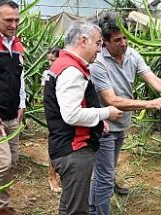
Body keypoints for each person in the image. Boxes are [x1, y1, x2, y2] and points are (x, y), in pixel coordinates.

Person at [89, 12, 161, 215]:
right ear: (105, 42)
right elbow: (111, 100)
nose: (124, 43)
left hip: (121, 124)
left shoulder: (133, 55)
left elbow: (153, 79)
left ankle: (92, 209)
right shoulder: (98, 63)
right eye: (117, 40)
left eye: (125, 37)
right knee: (105, 177)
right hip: (103, 126)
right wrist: (150, 104)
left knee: (104, 174)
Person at [43, 21, 122, 214]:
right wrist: (106, 112)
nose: (99, 49)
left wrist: (96, 121)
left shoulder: (64, 64)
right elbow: (71, 114)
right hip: (74, 150)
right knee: (77, 209)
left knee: (69, 205)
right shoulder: (71, 71)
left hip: (67, 146)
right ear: (83, 40)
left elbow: (77, 105)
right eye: (97, 43)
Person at [0, 1, 25, 214]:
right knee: (1, 162)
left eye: (17, 20)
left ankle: (2, 206)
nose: (13, 24)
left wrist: (22, 103)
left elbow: (21, 77)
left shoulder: (18, 45)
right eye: (8, 20)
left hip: (12, 115)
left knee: (11, 162)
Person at [41, 46, 63, 193]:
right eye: (49, 60)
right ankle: (52, 177)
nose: (50, 64)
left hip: (67, 113)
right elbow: (46, 96)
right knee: (54, 146)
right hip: (55, 114)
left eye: (53, 60)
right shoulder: (47, 74)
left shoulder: (68, 71)